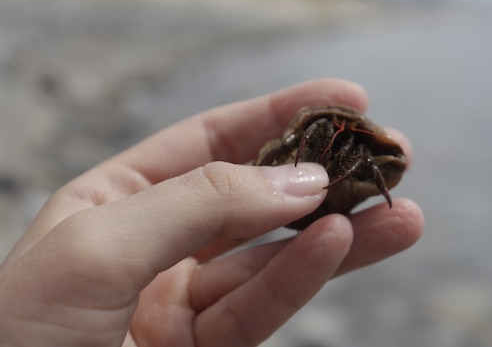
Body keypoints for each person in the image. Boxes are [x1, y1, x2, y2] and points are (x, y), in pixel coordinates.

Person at [0, 79, 423, 347]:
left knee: (344, 218)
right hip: (300, 180)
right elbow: (298, 139)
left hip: (335, 187)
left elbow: (362, 152)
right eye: (331, 130)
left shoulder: (358, 148)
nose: (339, 136)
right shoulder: (318, 131)